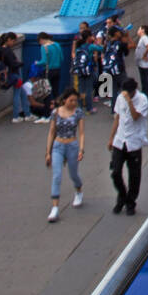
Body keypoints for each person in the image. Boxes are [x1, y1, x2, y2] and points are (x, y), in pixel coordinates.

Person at [108, 77, 148, 216]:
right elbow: (117, 117)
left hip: (134, 141)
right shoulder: (120, 98)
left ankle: (131, 202)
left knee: (134, 175)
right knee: (115, 172)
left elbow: (136, 116)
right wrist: (111, 138)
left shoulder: (142, 99)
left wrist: (130, 102)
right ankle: (122, 196)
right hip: (120, 140)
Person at [45, 89, 85, 222]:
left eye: (75, 100)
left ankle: (78, 190)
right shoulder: (55, 113)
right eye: (71, 100)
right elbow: (51, 132)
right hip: (58, 146)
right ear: (64, 100)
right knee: (57, 175)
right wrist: (48, 152)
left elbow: (81, 133)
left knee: (73, 174)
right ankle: (55, 208)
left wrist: (81, 149)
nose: (73, 103)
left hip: (72, 145)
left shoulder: (78, 112)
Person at [0, 33, 31, 122]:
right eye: (13, 41)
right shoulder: (7, 51)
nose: (14, 43)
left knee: (22, 93)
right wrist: (21, 63)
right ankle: (16, 116)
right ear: (8, 39)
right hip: (14, 74)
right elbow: (13, 64)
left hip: (9, 74)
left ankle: (27, 113)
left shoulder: (0, 51)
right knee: (17, 94)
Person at [99, 25, 128, 112]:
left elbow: (103, 55)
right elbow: (126, 53)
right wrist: (125, 38)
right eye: (119, 32)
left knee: (114, 90)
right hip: (118, 70)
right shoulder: (119, 44)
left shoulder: (107, 44)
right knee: (126, 87)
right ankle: (126, 108)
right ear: (116, 33)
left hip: (108, 70)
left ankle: (114, 110)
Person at [71, 31, 98, 114]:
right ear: (89, 37)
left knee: (80, 89)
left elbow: (73, 55)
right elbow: (101, 49)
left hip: (79, 70)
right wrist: (95, 40)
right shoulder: (90, 46)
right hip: (88, 70)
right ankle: (89, 109)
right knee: (88, 89)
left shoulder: (78, 47)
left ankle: (79, 108)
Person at [38, 31, 64, 101]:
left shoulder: (44, 47)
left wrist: (37, 63)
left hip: (48, 71)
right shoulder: (57, 45)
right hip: (57, 70)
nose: (40, 43)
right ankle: (58, 106)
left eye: (39, 42)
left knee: (47, 92)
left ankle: (48, 108)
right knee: (56, 90)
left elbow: (44, 61)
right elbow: (62, 58)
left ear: (41, 39)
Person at [135, 24, 148, 99]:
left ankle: (145, 95)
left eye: (139, 29)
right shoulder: (142, 38)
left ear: (142, 30)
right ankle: (144, 93)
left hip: (144, 64)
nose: (138, 31)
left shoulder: (144, 38)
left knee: (144, 79)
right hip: (141, 63)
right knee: (143, 79)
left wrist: (145, 55)